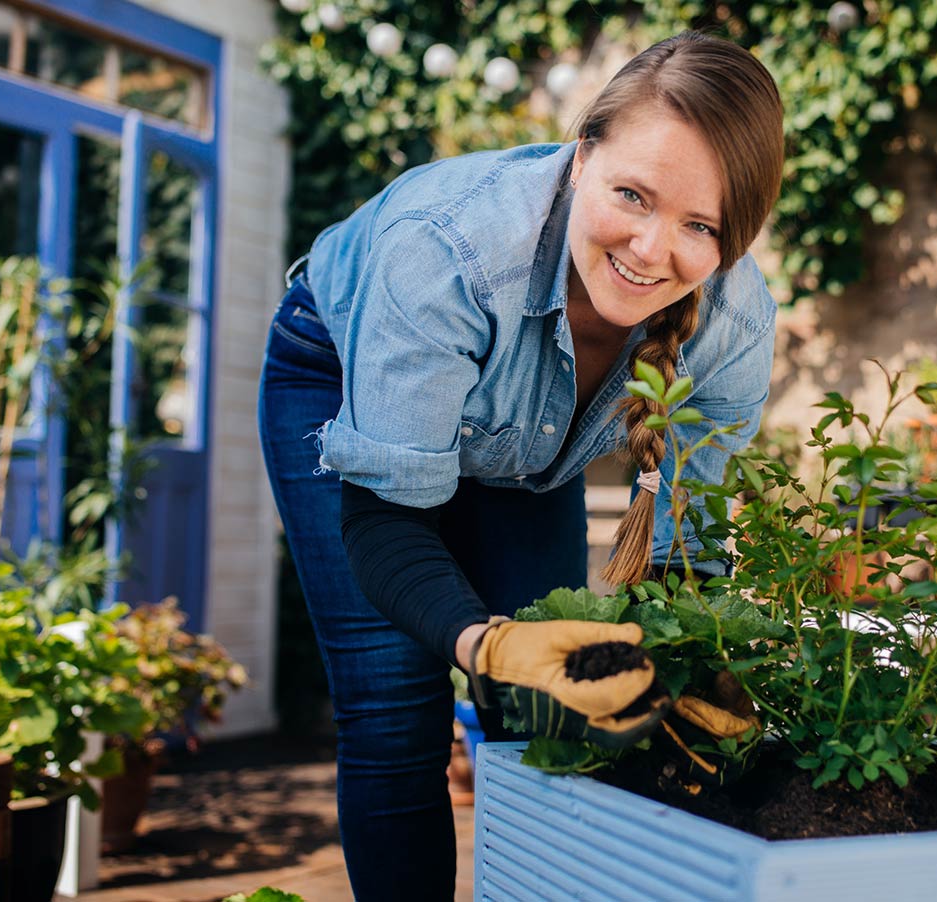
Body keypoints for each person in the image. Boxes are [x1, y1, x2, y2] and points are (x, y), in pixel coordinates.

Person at [258, 31, 784, 901]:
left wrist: (691, 667)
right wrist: (487, 644)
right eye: (632, 195)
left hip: (524, 448)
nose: (653, 250)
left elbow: (685, 543)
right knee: (395, 713)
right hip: (338, 374)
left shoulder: (731, 325)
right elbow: (389, 520)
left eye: (701, 225)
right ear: (581, 158)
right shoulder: (449, 253)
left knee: (549, 710)